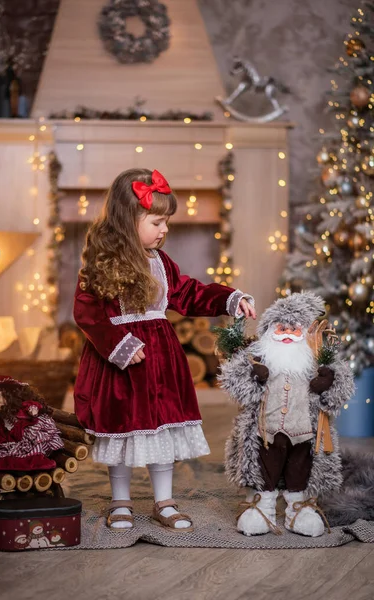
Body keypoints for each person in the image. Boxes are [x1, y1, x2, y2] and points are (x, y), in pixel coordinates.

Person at [73, 167, 256, 532]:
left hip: (160, 362)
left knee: (161, 429)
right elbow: (87, 312)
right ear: (129, 220)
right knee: (122, 430)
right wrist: (117, 345)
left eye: (166, 221)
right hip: (121, 364)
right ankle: (121, 501)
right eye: (157, 221)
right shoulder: (100, 266)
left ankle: (164, 500)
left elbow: (189, 293)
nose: (165, 229)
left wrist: (228, 298)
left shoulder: (160, 262)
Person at [220, 292, 355, 537]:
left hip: (305, 434)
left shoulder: (316, 360)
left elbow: (342, 387)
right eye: (281, 328)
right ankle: (262, 509)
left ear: (305, 333)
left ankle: (299, 511)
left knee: (300, 472)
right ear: (269, 330)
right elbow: (233, 381)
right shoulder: (257, 357)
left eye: (294, 330)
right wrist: (254, 376)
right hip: (265, 433)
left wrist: (329, 380)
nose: (287, 334)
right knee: (264, 470)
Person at [0, 375, 64, 471]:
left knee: (28, 453)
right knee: (4, 459)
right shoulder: (3, 419)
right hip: (18, 440)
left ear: (7, 393)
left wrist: (32, 412)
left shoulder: (20, 406)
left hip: (31, 434)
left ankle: (34, 458)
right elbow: (4, 435)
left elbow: (33, 407)